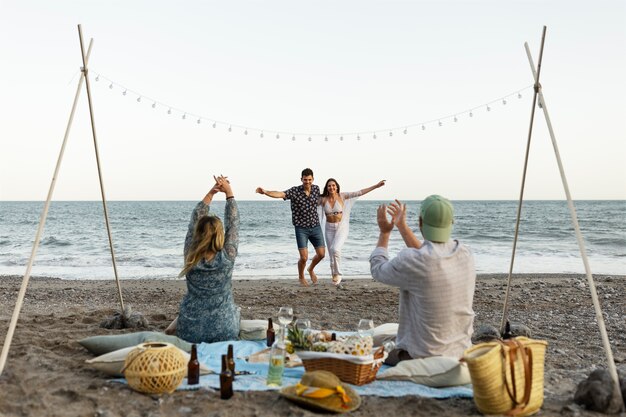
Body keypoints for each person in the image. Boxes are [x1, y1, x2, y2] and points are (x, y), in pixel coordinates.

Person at [369, 195, 475, 365]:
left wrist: (385, 233)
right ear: (451, 223)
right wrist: (402, 226)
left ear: (420, 222)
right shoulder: (466, 254)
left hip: (421, 357)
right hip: (460, 352)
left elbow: (378, 269)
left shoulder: (414, 260)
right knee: (379, 337)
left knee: (363, 344)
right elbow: (429, 257)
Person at [173, 175, 241, 343]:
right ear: (220, 235)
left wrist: (211, 193)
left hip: (189, 331)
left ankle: (171, 327)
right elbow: (233, 224)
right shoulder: (227, 256)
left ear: (197, 234)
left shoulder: (190, 254)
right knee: (236, 311)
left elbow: (195, 217)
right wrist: (229, 192)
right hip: (224, 330)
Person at [256, 168, 324, 287]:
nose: (307, 182)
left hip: (315, 226)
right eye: (305, 179)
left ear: (312, 179)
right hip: (301, 228)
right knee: (303, 257)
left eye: (309, 179)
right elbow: (280, 194)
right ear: (301, 179)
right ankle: (301, 276)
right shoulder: (295, 191)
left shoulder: (316, 189)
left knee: (322, 254)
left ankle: (311, 269)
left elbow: (325, 200)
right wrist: (266, 191)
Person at [319, 178, 386, 286]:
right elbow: (310, 203)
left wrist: (376, 186)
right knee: (331, 253)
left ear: (337, 187)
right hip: (329, 228)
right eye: (329, 186)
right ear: (327, 188)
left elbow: (360, 192)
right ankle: (334, 274)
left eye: (333, 185)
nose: (331, 187)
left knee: (335, 249)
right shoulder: (323, 199)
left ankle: (338, 273)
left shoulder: (342, 196)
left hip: (341, 227)